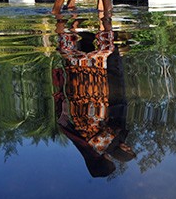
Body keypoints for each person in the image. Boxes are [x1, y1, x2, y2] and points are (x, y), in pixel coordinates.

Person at [52, 18, 135, 178]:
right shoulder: (84, 145)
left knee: (88, 61)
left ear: (102, 162)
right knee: (83, 59)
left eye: (109, 160)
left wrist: (117, 145)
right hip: (87, 96)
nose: (110, 156)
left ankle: (77, 20)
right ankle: (76, 23)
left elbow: (113, 131)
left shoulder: (97, 147)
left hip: (91, 96)